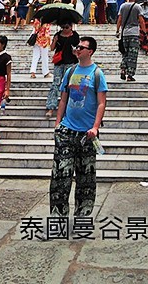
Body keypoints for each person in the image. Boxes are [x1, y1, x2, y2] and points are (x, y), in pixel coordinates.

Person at [50, 36, 107, 218]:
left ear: (90, 51)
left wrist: (95, 127)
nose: (77, 49)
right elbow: (63, 99)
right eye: (77, 46)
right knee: (60, 177)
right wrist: (58, 124)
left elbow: (101, 103)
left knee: (86, 180)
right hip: (66, 130)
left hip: (87, 134)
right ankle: (58, 218)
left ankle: (82, 218)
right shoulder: (70, 71)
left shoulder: (97, 74)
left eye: (81, 47)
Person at [45, 22, 80, 117]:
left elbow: (78, 48)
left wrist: (75, 51)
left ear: (71, 27)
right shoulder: (58, 35)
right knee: (55, 84)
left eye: (66, 27)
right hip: (59, 62)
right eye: (63, 27)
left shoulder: (75, 36)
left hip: (71, 62)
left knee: (70, 84)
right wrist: (54, 41)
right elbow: (52, 48)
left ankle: (69, 106)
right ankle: (51, 106)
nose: (64, 29)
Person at [116, 0, 142, 81]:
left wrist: (117, 30)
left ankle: (123, 69)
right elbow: (141, 20)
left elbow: (119, 19)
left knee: (125, 53)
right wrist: (144, 32)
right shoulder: (137, 7)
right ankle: (130, 75)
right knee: (132, 54)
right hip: (134, 33)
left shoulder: (122, 6)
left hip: (125, 33)